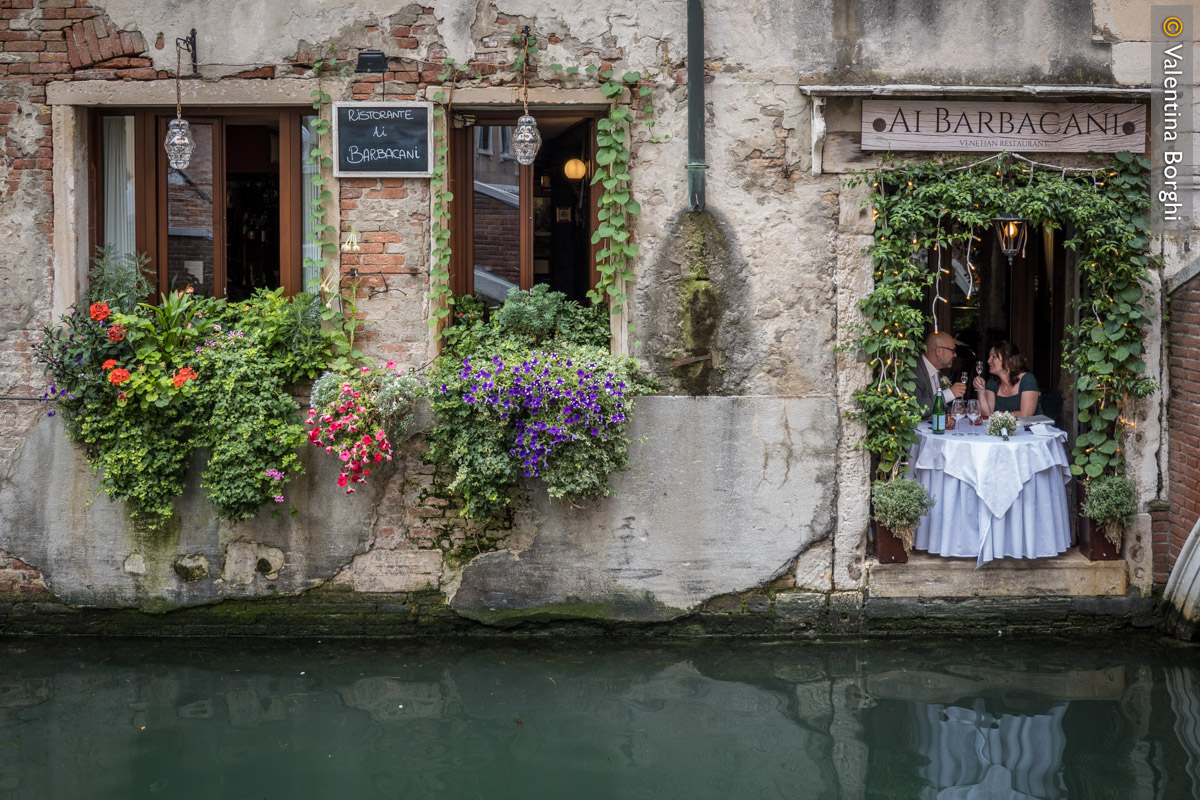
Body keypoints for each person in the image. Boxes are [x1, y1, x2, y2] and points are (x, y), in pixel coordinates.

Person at [972, 340, 1042, 418]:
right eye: (989, 357)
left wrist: (997, 415)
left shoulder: (1027, 379)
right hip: (1003, 430)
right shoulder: (992, 383)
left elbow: (1026, 414)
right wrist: (981, 390)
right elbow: (986, 415)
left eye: (993, 357)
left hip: (1029, 429)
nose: (988, 361)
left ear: (1009, 361)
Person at [913, 331, 967, 420]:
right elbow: (916, 409)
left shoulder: (939, 373)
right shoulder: (914, 371)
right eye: (952, 351)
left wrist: (951, 411)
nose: (955, 355)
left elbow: (936, 409)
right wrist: (949, 393)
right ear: (938, 351)